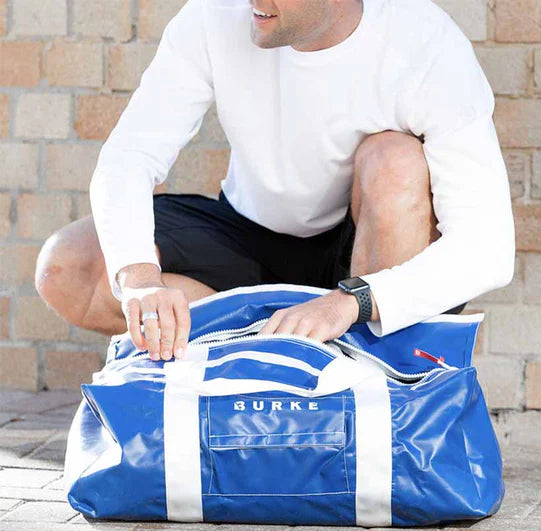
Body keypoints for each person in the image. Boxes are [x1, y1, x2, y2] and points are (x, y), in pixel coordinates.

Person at [36, 0, 515, 362]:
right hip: (246, 236)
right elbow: (130, 155)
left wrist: (352, 301)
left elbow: (488, 249)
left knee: (396, 159)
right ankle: (271, 358)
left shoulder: (425, 44)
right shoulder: (215, 16)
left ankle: (367, 379)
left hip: (363, 258)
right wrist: (140, 280)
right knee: (71, 266)